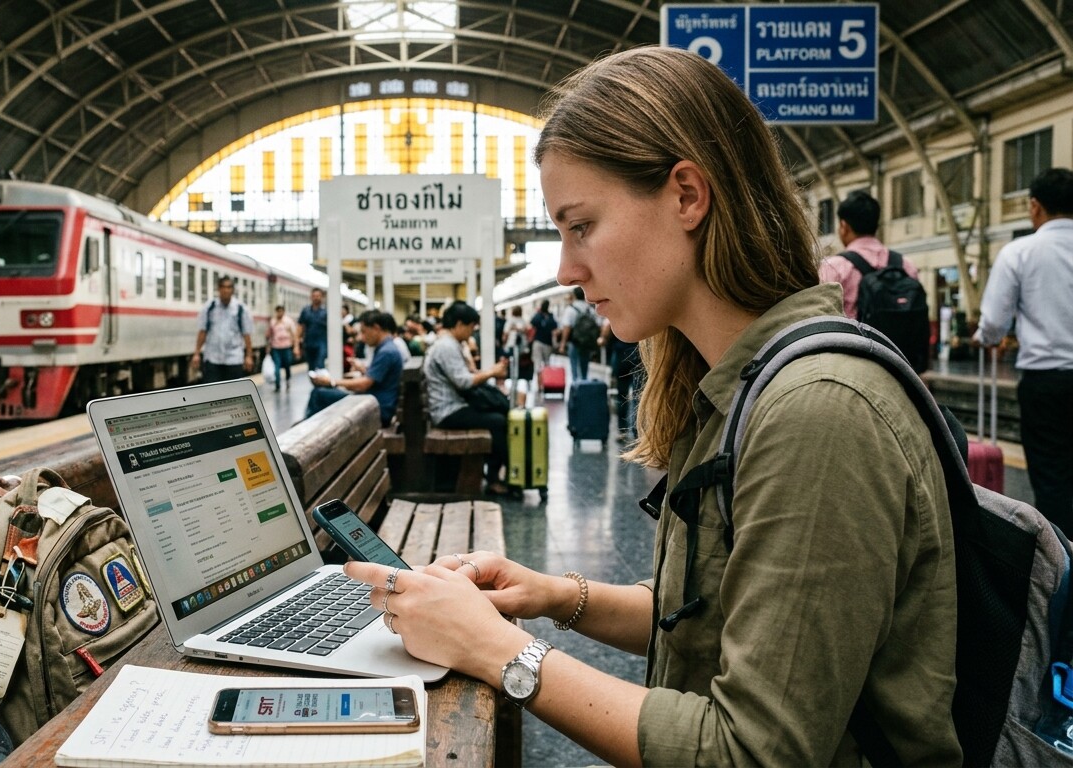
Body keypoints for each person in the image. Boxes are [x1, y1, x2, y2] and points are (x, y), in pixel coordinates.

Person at [344, 46, 959, 767]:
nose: (569, 271)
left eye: (581, 226)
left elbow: (753, 753)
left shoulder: (817, 412)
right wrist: (549, 595)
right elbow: (712, 611)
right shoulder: (744, 385)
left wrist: (498, 650)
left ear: (687, 196)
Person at [975, 166, 1073, 532]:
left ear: (1035, 206)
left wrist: (985, 337)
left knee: (1052, 479)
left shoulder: (1020, 252)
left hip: (1045, 383)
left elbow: (994, 322)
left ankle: (1064, 569)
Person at [422, 301, 510, 496]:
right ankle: (495, 478)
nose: (472, 332)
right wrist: (492, 372)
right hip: (448, 412)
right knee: (498, 421)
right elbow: (464, 382)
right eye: (471, 327)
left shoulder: (450, 344)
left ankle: (496, 474)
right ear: (460, 324)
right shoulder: (446, 347)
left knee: (498, 415)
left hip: (451, 406)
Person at [819, 190, 921, 320]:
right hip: (901, 341)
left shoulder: (834, 267)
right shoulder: (906, 266)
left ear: (844, 226)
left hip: (854, 340)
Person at [305, 310, 404, 426]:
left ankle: (306, 431)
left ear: (376, 328)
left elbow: (364, 384)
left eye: (364, 332)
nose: (362, 337)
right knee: (325, 394)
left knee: (318, 394)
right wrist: (363, 370)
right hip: (375, 403)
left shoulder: (386, 351)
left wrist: (331, 382)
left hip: (377, 408)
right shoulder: (388, 347)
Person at [192, 276, 254, 383]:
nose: (226, 290)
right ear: (218, 289)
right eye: (223, 287)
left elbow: (246, 334)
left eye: (229, 287)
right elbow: (203, 331)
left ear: (233, 290)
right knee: (212, 393)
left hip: (234, 359)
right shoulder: (210, 307)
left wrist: (249, 356)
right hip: (213, 358)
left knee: (233, 394)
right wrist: (197, 353)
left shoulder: (240, 309)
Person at [602, 321, 642, 442]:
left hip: (621, 360)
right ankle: (637, 432)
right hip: (638, 359)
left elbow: (605, 334)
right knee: (638, 397)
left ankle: (623, 431)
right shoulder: (640, 316)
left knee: (622, 397)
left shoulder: (616, 316)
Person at [557, 286, 597, 380]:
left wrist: (562, 344)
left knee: (574, 366)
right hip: (586, 343)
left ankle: (576, 387)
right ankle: (584, 383)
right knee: (584, 366)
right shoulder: (590, 310)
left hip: (574, 342)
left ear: (574, 296)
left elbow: (567, 328)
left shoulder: (570, 309)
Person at [266, 304, 299, 392]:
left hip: (286, 347)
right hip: (276, 347)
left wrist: (296, 347)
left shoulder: (288, 321)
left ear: (283, 312)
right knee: (277, 367)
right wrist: (268, 346)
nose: (279, 313)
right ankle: (278, 385)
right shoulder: (273, 322)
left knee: (287, 365)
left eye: (281, 311)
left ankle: (288, 380)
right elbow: (269, 335)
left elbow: (294, 334)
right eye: (277, 311)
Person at [297, 288, 328, 371]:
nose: (316, 298)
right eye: (314, 296)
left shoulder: (326, 312)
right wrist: (296, 345)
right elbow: (300, 327)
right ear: (311, 297)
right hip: (309, 343)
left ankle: (320, 383)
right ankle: (315, 383)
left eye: (318, 296)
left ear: (322, 297)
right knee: (311, 367)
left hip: (322, 343)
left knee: (320, 365)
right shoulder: (306, 311)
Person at [529, 298, 559, 377]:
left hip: (538, 342)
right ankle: (546, 382)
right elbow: (555, 330)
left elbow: (531, 327)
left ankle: (539, 385)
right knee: (547, 363)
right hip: (548, 343)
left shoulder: (537, 316)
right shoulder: (551, 317)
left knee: (537, 364)